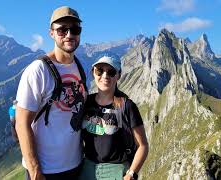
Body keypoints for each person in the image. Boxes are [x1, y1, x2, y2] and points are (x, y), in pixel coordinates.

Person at [15, 6, 87, 180]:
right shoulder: (38, 70)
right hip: (46, 171)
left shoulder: (81, 66)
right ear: (52, 33)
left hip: (76, 165)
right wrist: (34, 171)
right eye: (62, 29)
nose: (69, 34)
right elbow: (22, 124)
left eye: (75, 29)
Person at [79, 55, 149, 180]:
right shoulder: (86, 102)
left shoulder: (127, 106)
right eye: (100, 70)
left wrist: (131, 174)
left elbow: (143, 145)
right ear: (93, 73)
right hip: (87, 169)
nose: (105, 76)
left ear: (118, 76)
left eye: (111, 72)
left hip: (116, 171)